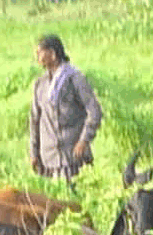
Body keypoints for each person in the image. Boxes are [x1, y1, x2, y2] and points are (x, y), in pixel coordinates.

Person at [28, 34, 104, 184]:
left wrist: (83, 141)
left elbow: (95, 112)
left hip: (74, 158)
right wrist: (34, 153)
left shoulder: (75, 79)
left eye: (40, 52)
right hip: (49, 160)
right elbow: (34, 121)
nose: (37, 56)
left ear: (53, 54)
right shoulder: (40, 85)